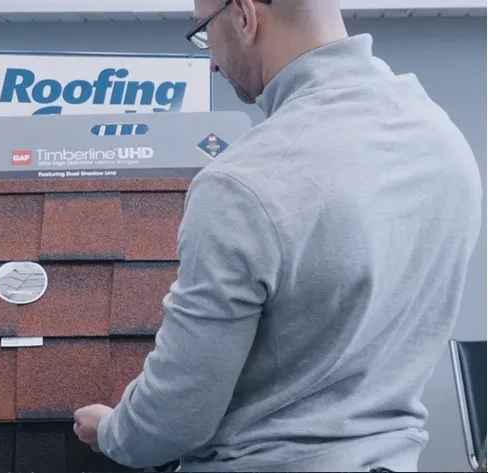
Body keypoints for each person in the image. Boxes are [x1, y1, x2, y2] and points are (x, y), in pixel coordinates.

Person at [74, 0, 482, 471]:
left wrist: (113, 432)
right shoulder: (442, 141)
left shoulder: (244, 182)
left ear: (244, 16)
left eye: (206, 32)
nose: (211, 60)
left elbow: (177, 417)